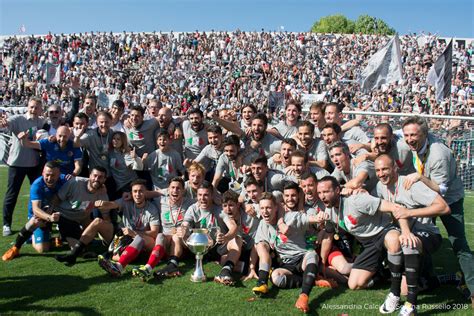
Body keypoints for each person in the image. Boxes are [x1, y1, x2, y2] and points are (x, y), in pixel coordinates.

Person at [402, 116, 474, 306]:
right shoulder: (415, 144)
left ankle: (473, 289)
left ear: (425, 134)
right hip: (428, 198)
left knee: (459, 244)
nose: (409, 139)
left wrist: (420, 178)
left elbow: (441, 190)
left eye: (413, 135)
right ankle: (427, 279)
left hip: (450, 199)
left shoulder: (438, 153)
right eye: (406, 135)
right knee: (420, 236)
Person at [373, 154, 450, 314]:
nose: (381, 173)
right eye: (378, 170)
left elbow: (444, 208)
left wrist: (409, 212)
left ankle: (411, 305)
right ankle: (394, 294)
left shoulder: (410, 185)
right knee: (394, 240)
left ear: (395, 168)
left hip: (428, 234)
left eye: (385, 169)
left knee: (409, 243)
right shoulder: (381, 186)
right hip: (404, 233)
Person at [251, 187, 324, 314]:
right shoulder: (263, 224)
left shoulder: (291, 217)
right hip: (286, 264)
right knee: (275, 277)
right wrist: (251, 268)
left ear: (276, 208)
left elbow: (308, 218)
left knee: (312, 254)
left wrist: (319, 217)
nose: (265, 211)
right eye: (262, 208)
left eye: (268, 208)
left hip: (302, 258)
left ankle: (304, 296)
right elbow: (259, 247)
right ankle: (263, 282)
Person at [177, 182, 240, 285]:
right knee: (176, 236)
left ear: (212, 195)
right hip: (198, 247)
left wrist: (225, 237)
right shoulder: (193, 209)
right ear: (196, 195)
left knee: (237, 240)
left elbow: (233, 227)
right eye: (200, 195)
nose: (203, 198)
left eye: (206, 195)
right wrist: (182, 229)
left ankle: (226, 271)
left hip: (217, 247)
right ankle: (173, 263)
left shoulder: (219, 209)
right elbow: (185, 224)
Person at [2, 162, 67, 260]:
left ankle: (65, 238)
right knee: (42, 248)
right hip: (41, 216)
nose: (49, 178)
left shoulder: (65, 180)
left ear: (59, 174)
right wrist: (49, 217)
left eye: (53, 175)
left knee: (72, 218)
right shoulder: (37, 184)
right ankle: (16, 247)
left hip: (57, 212)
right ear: (42, 173)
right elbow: (36, 210)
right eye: (47, 175)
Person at [95, 179, 160, 277]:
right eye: (135, 191)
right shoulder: (126, 202)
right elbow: (112, 204)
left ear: (146, 193)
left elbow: (154, 232)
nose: (138, 194)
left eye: (141, 191)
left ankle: (118, 266)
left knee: (139, 238)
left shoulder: (152, 208)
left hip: (145, 243)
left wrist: (134, 233)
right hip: (126, 241)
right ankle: (116, 258)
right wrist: (102, 204)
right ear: (131, 193)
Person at [133, 177, 194, 281]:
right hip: (165, 242)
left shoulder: (191, 203)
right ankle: (148, 267)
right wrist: (129, 195)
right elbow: (142, 194)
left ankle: (173, 265)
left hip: (182, 243)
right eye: (172, 188)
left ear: (183, 190)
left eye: (178, 188)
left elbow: (207, 198)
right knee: (160, 235)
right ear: (168, 190)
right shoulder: (161, 201)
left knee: (176, 236)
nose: (175, 190)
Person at [0, 97, 45, 236]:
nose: (33, 110)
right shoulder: (18, 119)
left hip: (35, 164)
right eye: (31, 107)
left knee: (38, 195)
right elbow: (6, 124)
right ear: (27, 106)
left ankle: (36, 221)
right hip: (17, 163)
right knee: (11, 195)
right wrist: (4, 123)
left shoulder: (42, 122)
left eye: (37, 107)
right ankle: (6, 224)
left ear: (40, 109)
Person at [52, 166, 109, 247]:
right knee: (76, 247)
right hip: (64, 215)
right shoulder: (75, 182)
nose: (96, 179)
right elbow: (57, 198)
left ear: (104, 180)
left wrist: (109, 234)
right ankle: (58, 237)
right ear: (90, 175)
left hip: (79, 218)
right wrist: (48, 214)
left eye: (100, 177)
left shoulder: (102, 193)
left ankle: (63, 237)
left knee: (86, 242)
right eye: (95, 176)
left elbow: (106, 216)